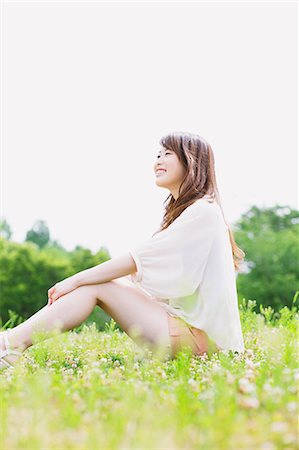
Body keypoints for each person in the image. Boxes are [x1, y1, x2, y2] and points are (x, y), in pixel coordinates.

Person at [0, 131, 245, 370]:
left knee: (99, 283)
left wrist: (73, 280)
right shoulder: (192, 212)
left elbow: (137, 260)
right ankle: (9, 344)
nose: (158, 160)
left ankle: (9, 345)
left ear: (191, 161)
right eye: (157, 154)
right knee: (104, 282)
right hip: (195, 337)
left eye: (167, 153)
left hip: (201, 342)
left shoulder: (203, 211)